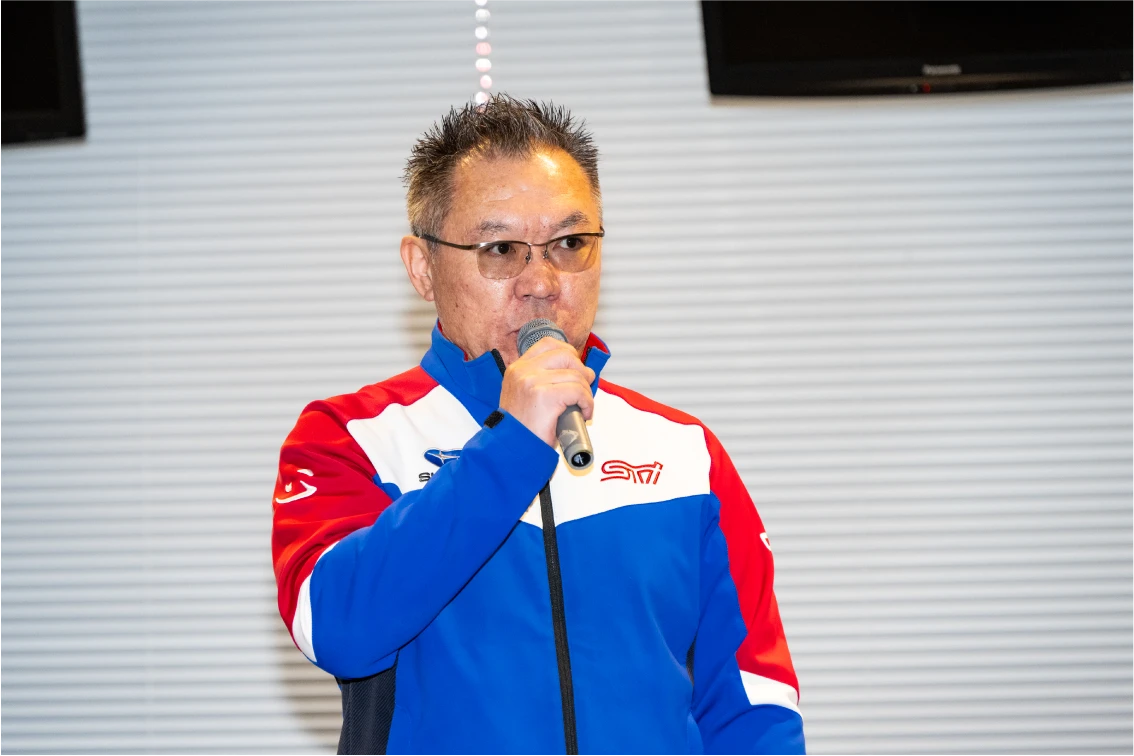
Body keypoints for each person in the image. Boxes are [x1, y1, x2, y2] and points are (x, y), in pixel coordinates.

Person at [271, 94, 806, 756]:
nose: (541, 281)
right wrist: (511, 447)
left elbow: (752, 704)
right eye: (500, 249)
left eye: (570, 244)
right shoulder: (351, 437)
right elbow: (336, 628)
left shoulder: (684, 452)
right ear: (423, 267)